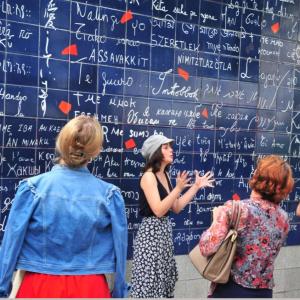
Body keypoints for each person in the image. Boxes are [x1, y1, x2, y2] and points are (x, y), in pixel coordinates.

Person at [0, 116, 128, 298]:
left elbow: (10, 244)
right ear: (96, 151)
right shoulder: (109, 195)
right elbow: (121, 247)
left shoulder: (32, 188)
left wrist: (2, 287)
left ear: (60, 142)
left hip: (39, 285)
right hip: (91, 287)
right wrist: (120, 291)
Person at [130, 134, 215, 298]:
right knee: (150, 284)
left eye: (170, 146)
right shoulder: (149, 176)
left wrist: (195, 186)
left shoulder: (165, 175)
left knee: (162, 284)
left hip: (162, 236)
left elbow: (176, 207)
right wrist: (178, 188)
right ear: (156, 152)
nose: (171, 150)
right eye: (166, 147)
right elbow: (158, 210)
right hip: (151, 237)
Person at [199, 155, 294, 298]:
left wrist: (215, 220)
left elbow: (206, 248)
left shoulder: (235, 209)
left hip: (231, 289)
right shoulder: (284, 218)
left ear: (258, 176)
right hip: (264, 292)